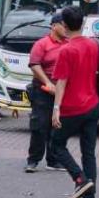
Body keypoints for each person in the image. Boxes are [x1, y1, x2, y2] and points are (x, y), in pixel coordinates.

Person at [51, 6, 99, 198]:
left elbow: (61, 83)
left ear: (64, 25)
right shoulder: (92, 45)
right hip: (92, 105)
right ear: (83, 23)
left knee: (57, 145)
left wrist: (56, 109)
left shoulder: (66, 50)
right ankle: (90, 195)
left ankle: (80, 180)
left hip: (72, 108)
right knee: (88, 153)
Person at [25, 13, 68, 173]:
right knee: (39, 125)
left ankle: (54, 160)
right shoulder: (42, 44)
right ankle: (33, 160)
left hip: (62, 90)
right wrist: (47, 82)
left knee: (57, 126)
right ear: (54, 26)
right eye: (63, 25)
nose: (66, 29)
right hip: (42, 90)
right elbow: (35, 65)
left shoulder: (68, 44)